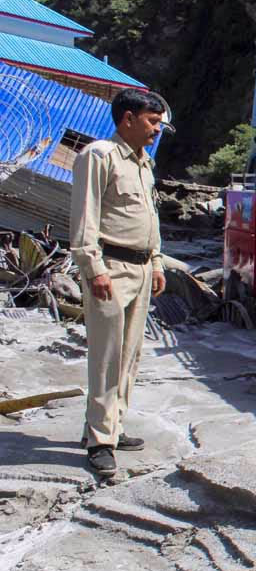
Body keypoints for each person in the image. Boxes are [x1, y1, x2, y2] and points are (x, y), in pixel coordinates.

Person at [69, 89, 167, 477]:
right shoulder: (99, 156)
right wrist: (94, 269)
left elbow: (149, 217)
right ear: (128, 118)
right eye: (152, 122)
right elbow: (85, 218)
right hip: (110, 267)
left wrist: (156, 263)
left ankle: (112, 425)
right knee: (106, 357)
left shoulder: (144, 163)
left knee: (129, 356)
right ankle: (99, 442)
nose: (157, 130)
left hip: (140, 269)